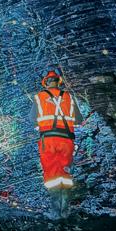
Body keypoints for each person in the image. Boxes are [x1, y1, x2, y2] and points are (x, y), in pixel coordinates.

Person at [30, 65, 83, 216]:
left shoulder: (40, 97)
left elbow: (32, 119)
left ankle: (55, 212)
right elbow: (79, 120)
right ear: (58, 82)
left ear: (45, 82)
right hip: (66, 141)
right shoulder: (68, 97)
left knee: (52, 175)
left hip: (48, 140)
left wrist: (43, 123)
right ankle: (65, 210)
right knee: (65, 174)